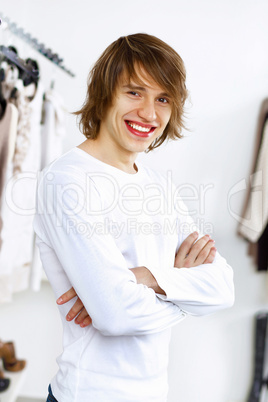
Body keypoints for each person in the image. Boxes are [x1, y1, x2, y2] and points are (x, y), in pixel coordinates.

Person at [33, 33, 235, 402]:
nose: (149, 113)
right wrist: (186, 293)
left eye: (163, 99)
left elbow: (223, 287)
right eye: (134, 92)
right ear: (104, 93)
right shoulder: (67, 181)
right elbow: (116, 315)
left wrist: (147, 278)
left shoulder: (157, 184)